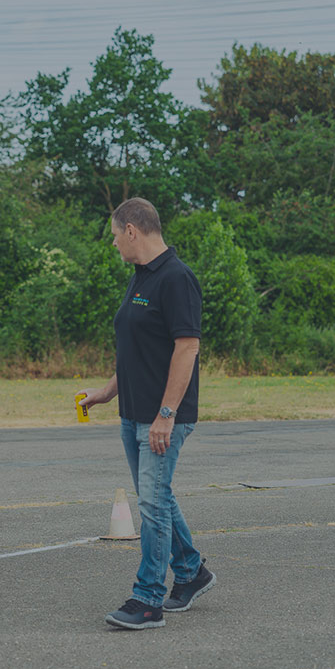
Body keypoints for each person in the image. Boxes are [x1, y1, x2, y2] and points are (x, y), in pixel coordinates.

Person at [78, 198, 216, 630]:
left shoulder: (176, 279)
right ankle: (192, 572)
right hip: (133, 413)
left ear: (132, 230)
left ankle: (149, 599)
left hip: (162, 418)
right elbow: (136, 352)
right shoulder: (141, 278)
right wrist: (105, 393)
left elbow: (187, 347)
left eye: (116, 235)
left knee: (153, 505)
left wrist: (166, 414)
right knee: (159, 499)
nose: (115, 244)